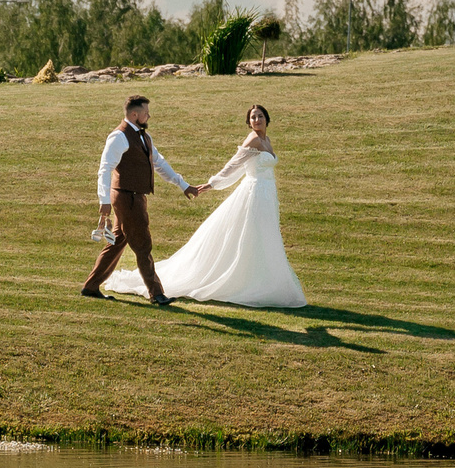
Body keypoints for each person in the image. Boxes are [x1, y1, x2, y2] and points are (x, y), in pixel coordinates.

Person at [107, 104, 306, 308]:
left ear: (267, 119)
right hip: (253, 193)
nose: (257, 120)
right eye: (253, 117)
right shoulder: (253, 139)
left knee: (265, 236)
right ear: (249, 122)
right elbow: (234, 165)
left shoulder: (267, 140)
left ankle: (264, 281)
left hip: (267, 195)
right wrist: (213, 183)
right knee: (251, 235)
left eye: (260, 116)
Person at [83, 95, 198, 306]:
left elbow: (159, 163)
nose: (149, 115)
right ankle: (156, 293)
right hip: (127, 198)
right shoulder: (119, 137)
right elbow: (105, 169)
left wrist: (184, 185)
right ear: (134, 115)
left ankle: (90, 287)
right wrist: (104, 199)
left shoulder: (144, 137)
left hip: (136, 197)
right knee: (143, 245)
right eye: (146, 112)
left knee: (117, 242)